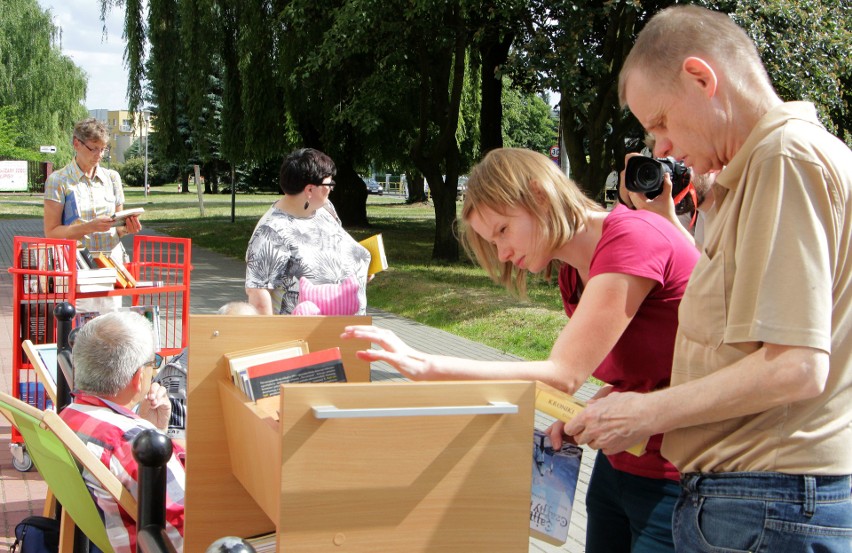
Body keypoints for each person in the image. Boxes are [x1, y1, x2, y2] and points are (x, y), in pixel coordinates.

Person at [565, 5, 852, 551]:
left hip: (768, 502)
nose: (661, 149)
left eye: (661, 123)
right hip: (757, 504)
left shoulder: (785, 157)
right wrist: (627, 403)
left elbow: (796, 366)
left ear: (702, 78)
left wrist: (648, 412)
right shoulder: (754, 172)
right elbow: (738, 352)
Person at [342, 147, 699, 552]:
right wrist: (596, 407)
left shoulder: (632, 238)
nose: (502, 253)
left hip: (683, 477)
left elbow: (563, 375)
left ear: (539, 196)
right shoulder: (573, 274)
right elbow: (649, 366)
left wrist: (427, 364)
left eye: (502, 231)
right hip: (621, 464)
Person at [60, 311, 185, 553]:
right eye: (153, 363)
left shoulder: (68, 416)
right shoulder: (129, 441)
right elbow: (183, 530)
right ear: (139, 377)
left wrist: (154, 428)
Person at [245, 148, 370, 315]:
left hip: (346, 333)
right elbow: (259, 298)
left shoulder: (325, 209)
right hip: (304, 336)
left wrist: (359, 268)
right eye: (329, 184)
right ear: (309, 190)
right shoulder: (270, 233)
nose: (332, 189)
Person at [44, 118, 142, 254]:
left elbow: (118, 230)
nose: (100, 155)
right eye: (94, 149)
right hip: (77, 263)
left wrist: (127, 228)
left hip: (112, 261)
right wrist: (89, 227)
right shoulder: (58, 180)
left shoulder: (112, 178)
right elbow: (52, 233)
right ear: (76, 144)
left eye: (103, 149)